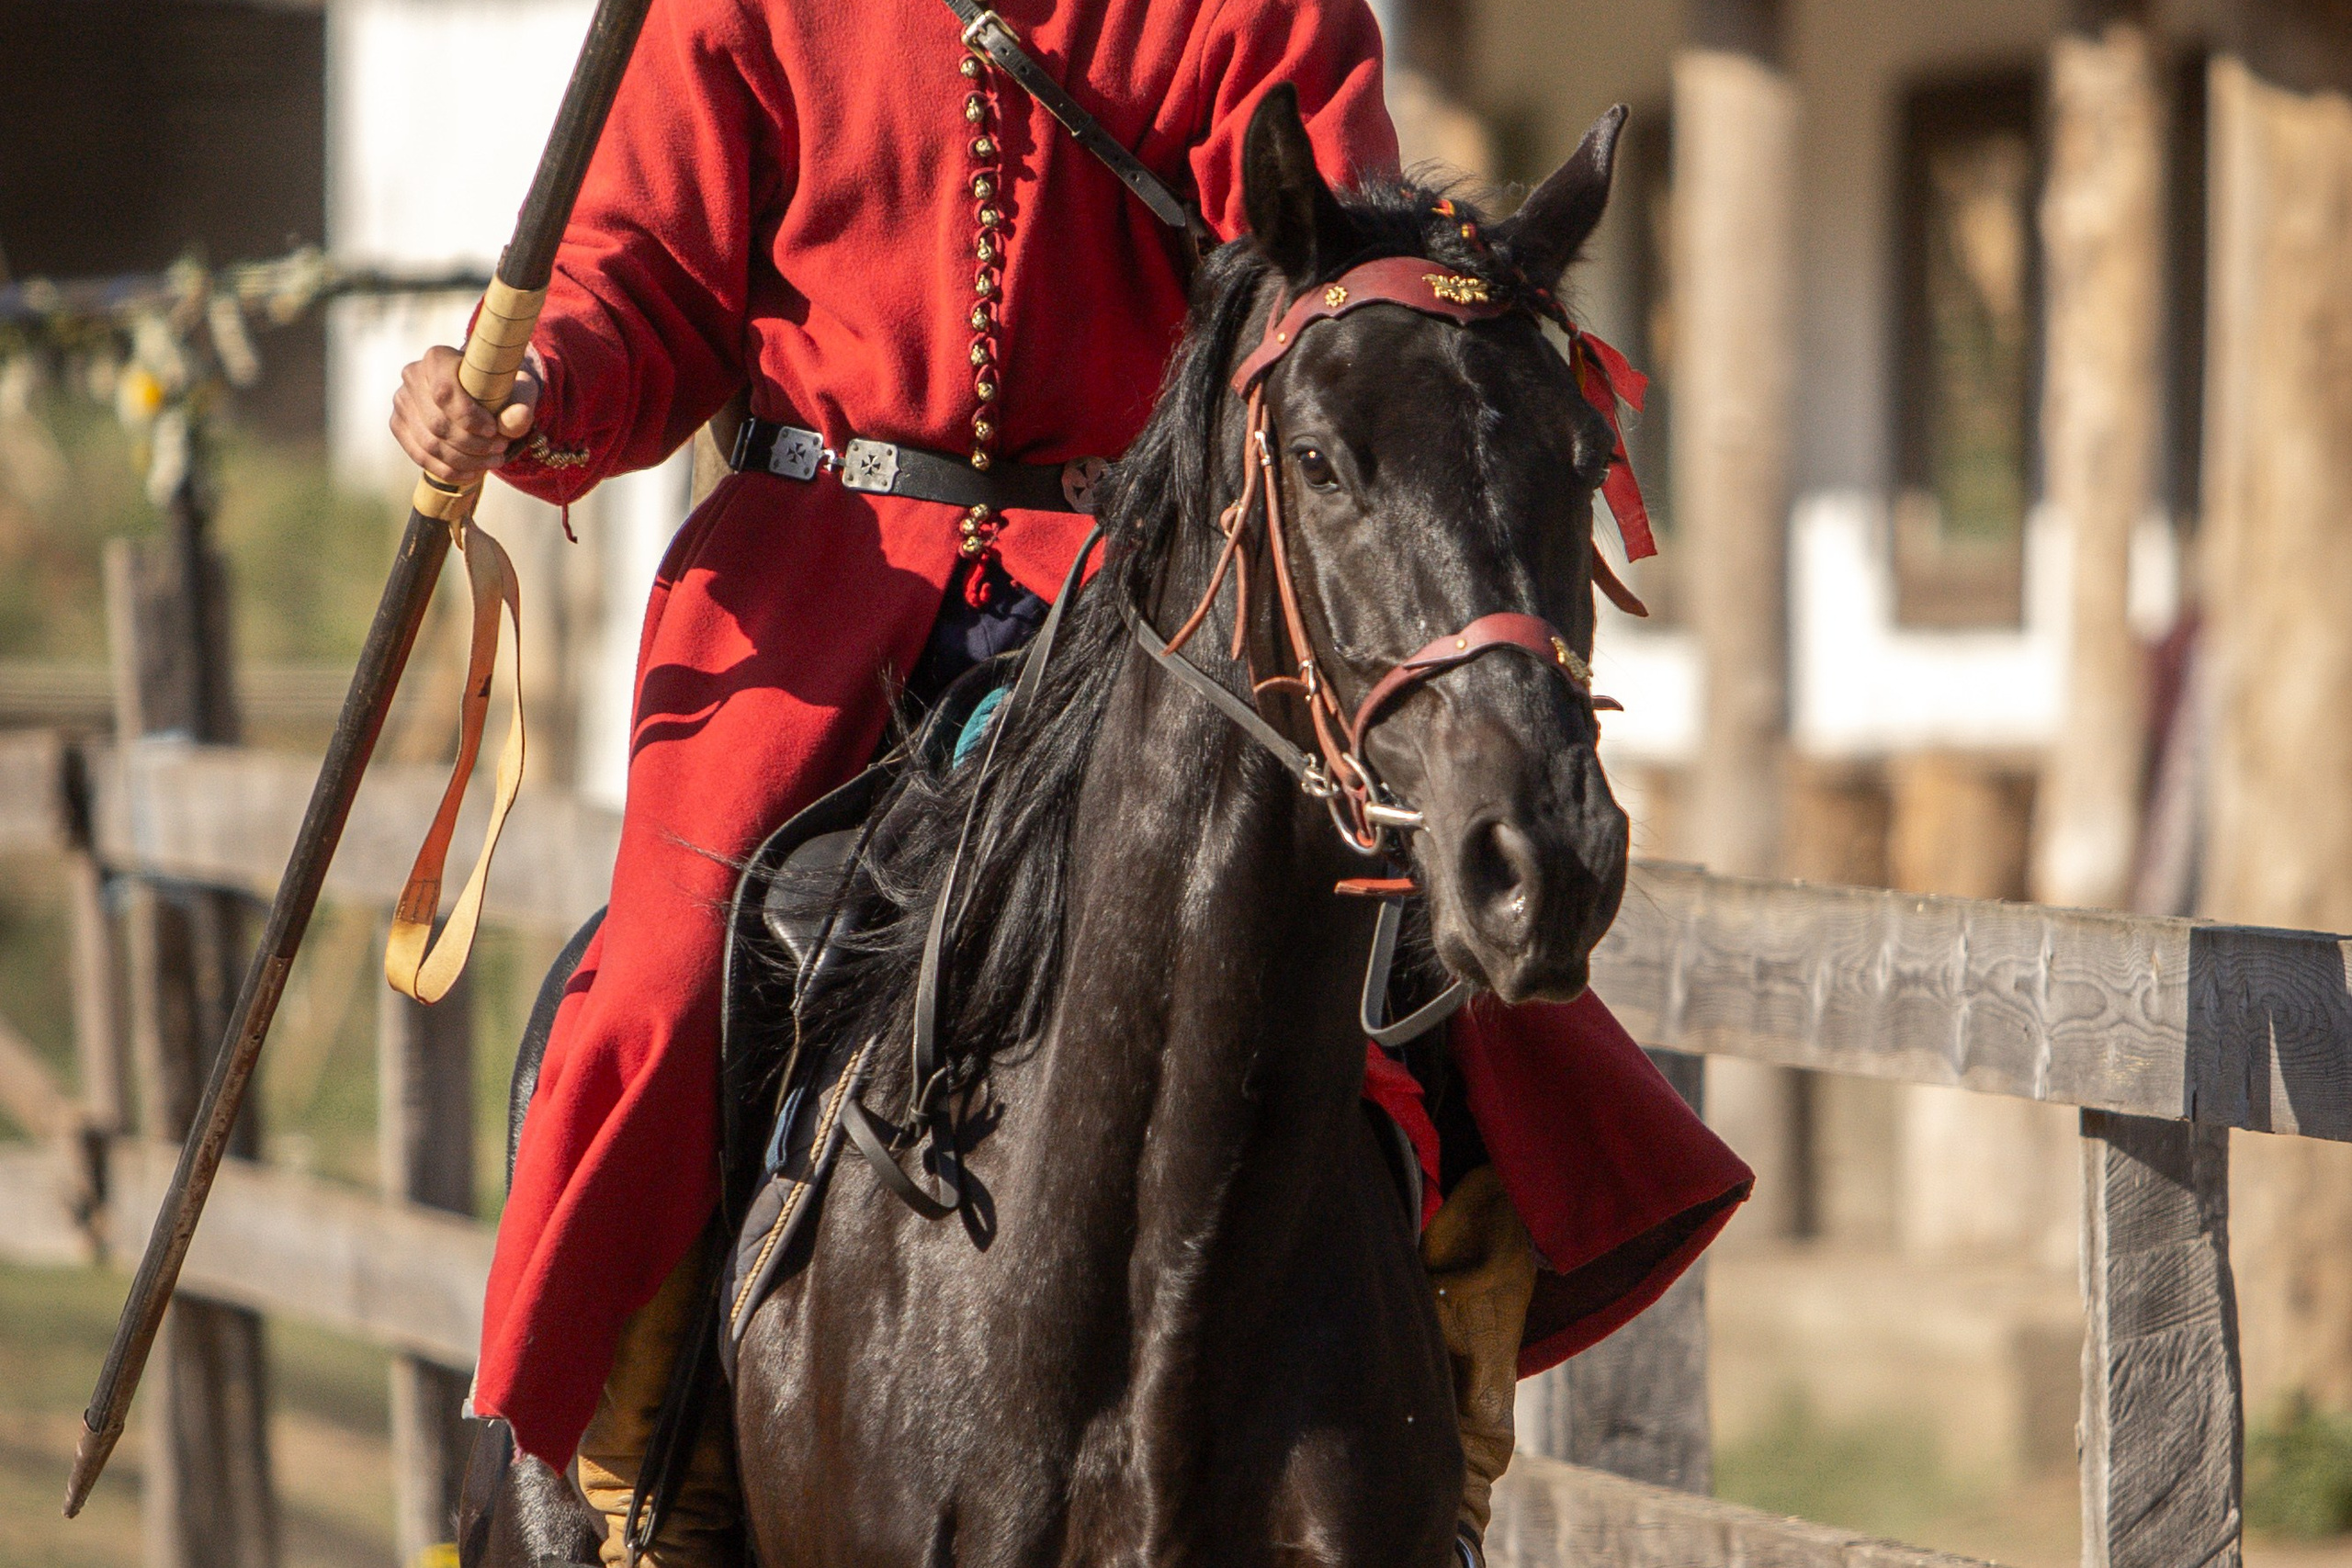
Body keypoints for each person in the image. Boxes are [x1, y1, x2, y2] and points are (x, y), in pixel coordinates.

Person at [391, 4, 1750, 1565]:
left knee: (1484, 1012)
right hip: (817, 595)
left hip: (1147, 591)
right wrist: (538, 385)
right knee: (663, 989)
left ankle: (1435, 1466)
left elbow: (1322, 281)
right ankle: (630, 1487)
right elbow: (641, 285)